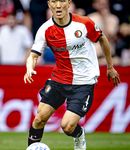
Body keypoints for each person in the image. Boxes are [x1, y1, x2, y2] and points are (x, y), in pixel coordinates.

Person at [23, 0, 121, 150]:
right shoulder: (45, 29)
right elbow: (34, 55)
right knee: (39, 118)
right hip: (59, 79)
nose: (58, 5)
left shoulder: (84, 23)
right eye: (54, 2)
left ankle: (79, 134)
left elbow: (102, 39)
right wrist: (29, 68)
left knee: (67, 126)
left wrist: (110, 67)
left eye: (62, 1)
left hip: (83, 82)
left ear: (68, 4)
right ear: (49, 4)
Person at [88, 0, 120, 66]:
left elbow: (109, 37)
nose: (103, 6)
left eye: (105, 4)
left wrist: (104, 20)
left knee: (117, 62)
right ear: (95, 5)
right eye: (101, 4)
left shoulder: (113, 19)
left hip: (109, 55)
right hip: (94, 54)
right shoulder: (90, 18)